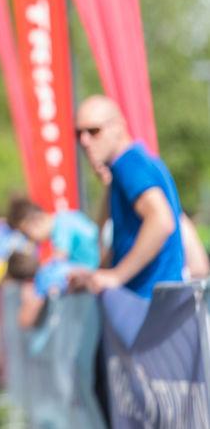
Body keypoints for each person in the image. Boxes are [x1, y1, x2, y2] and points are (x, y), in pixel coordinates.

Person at [74, 95, 184, 297]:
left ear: (118, 126)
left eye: (93, 131)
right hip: (156, 300)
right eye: (78, 133)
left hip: (145, 301)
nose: (84, 141)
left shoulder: (128, 164)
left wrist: (117, 276)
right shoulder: (140, 163)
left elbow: (161, 220)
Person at [6, 196, 99, 269]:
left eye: (26, 234)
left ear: (35, 223)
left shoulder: (61, 225)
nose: (30, 240)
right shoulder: (63, 218)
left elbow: (59, 259)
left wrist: (35, 268)